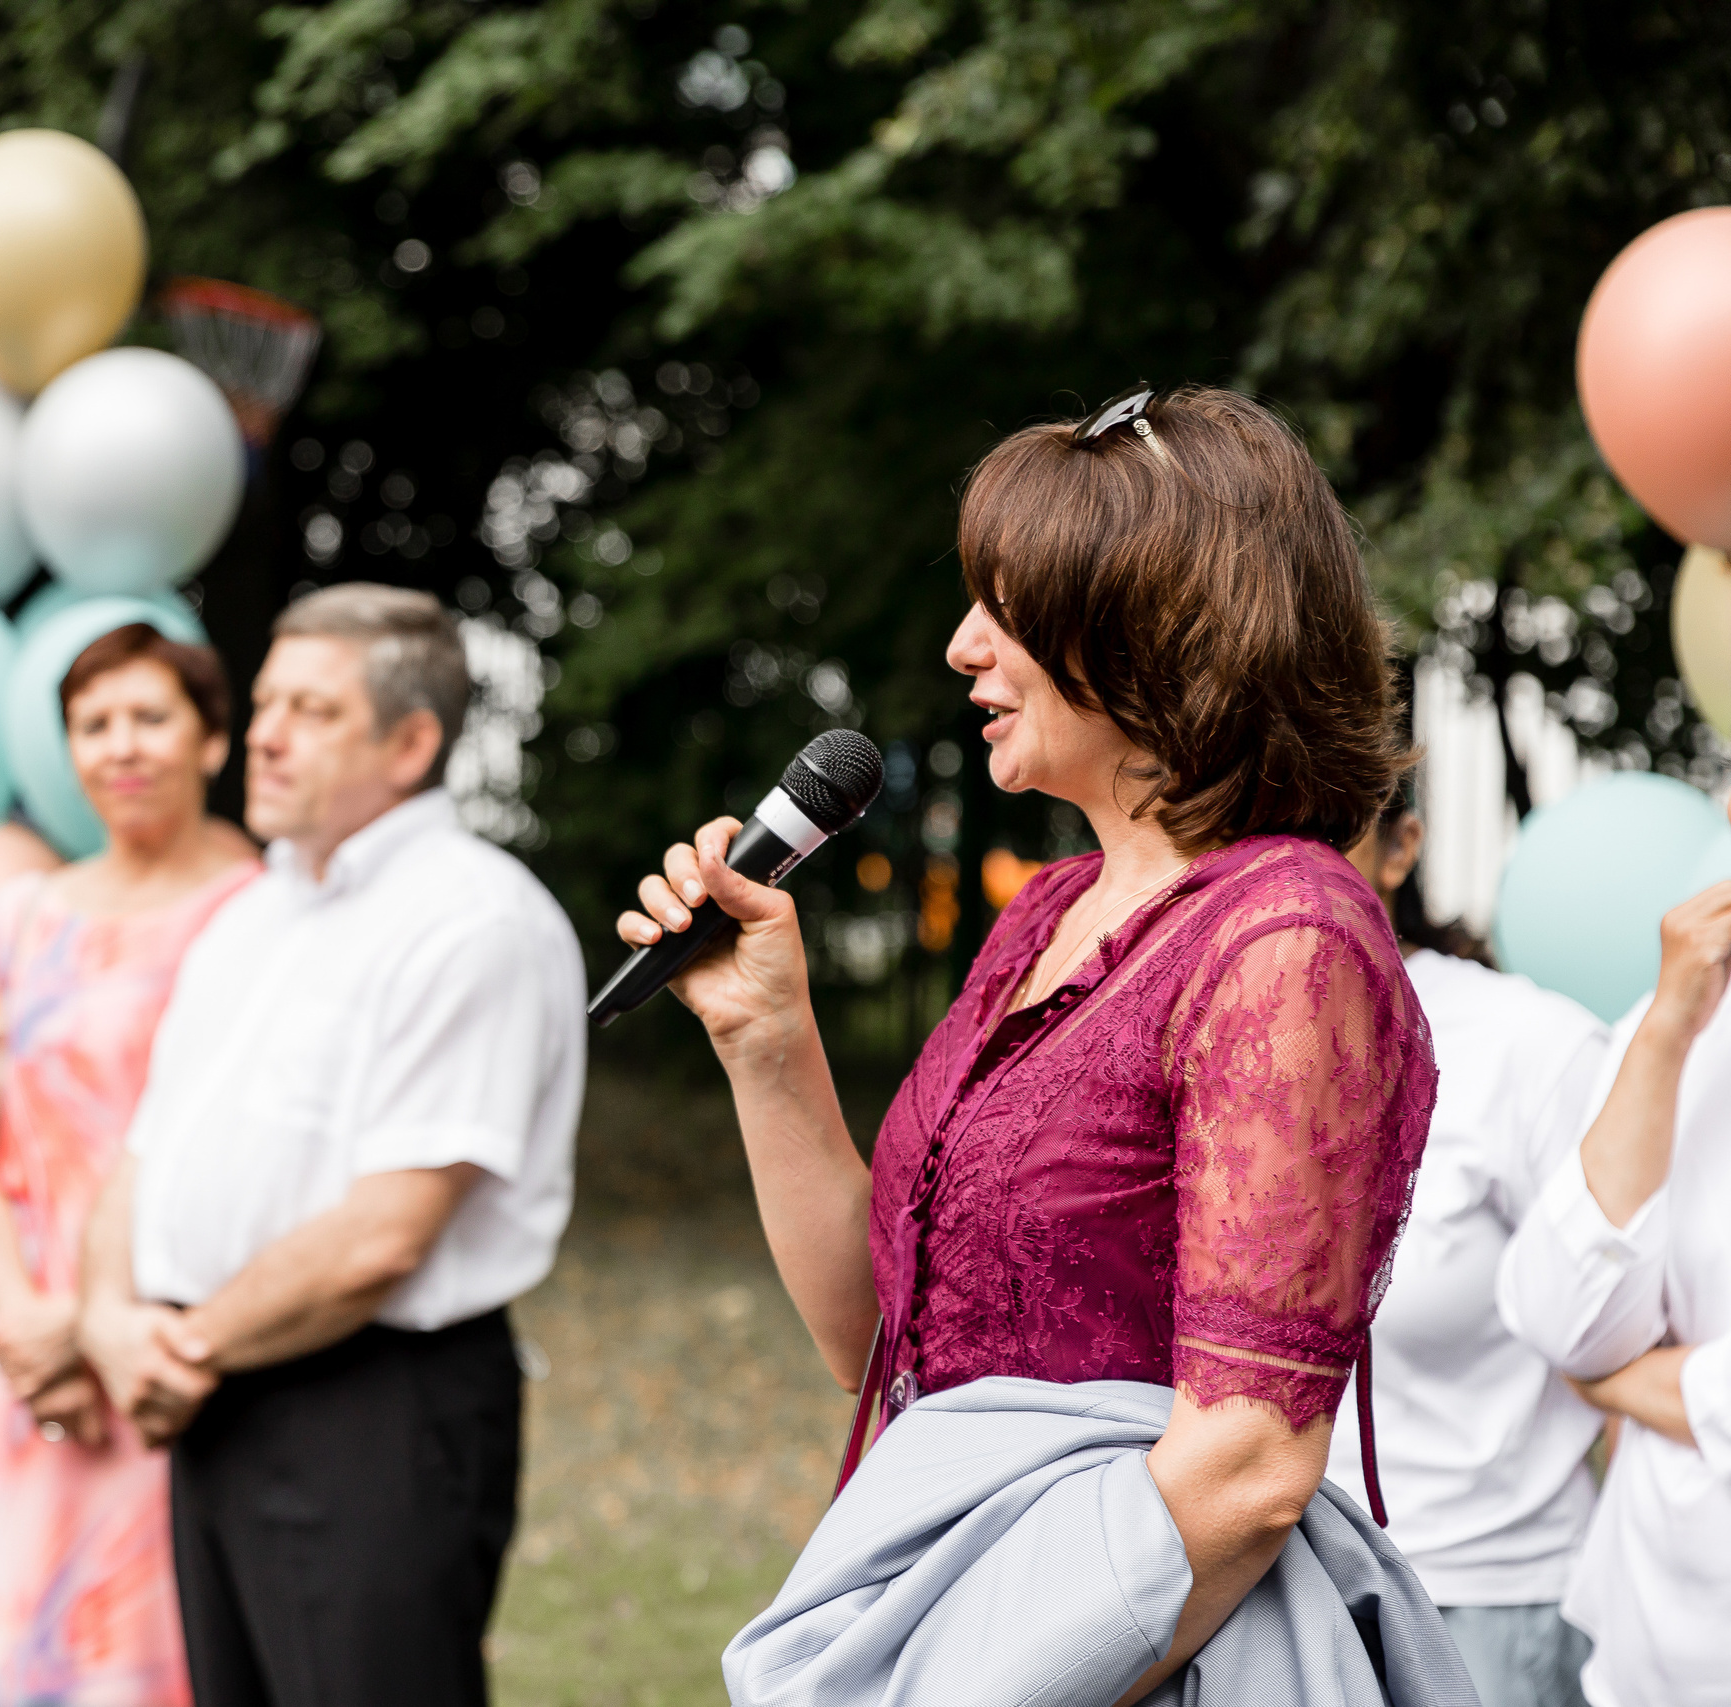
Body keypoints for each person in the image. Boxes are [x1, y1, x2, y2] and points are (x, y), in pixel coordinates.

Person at [622, 388, 1465, 1704]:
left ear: (1159, 620)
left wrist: (961, 1675)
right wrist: (767, 1033)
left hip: (1130, 1650)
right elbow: (880, 1339)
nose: (964, 648)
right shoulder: (1050, 913)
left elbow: (1245, 1466)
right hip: (966, 1599)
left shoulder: (1286, 938)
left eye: (1006, 609)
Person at [76, 584, 585, 1707]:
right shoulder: (253, 914)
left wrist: (184, 1348)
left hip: (371, 1412)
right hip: (211, 1391)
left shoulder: (471, 921)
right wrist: (110, 1320)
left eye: (307, 708)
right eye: (264, 703)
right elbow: (146, 1149)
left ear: (409, 744)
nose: (260, 733)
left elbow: (383, 1236)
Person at [0, 623, 259, 1707]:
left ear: (212, 740)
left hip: (172, 1343)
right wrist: (29, 1324)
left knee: (154, 1651)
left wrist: (91, 1321)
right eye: (94, 724)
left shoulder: (263, 914)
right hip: (17, 1356)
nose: (122, 746)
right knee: (9, 1647)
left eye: (150, 717)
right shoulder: (17, 919)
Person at [1325, 798, 1607, 1707]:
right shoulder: (1198, 1038)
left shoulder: (1531, 1046)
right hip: (1262, 1593)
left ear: (1403, 844)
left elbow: (1628, 1327)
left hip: (1485, 1609)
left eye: (1318, 829)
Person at [1497, 875, 1731, 1707]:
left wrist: (1637, 1383)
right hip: (1651, 1654)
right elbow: (1567, 1321)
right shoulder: (1684, 1018)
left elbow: (1596, 1362)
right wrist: (1668, 1031)